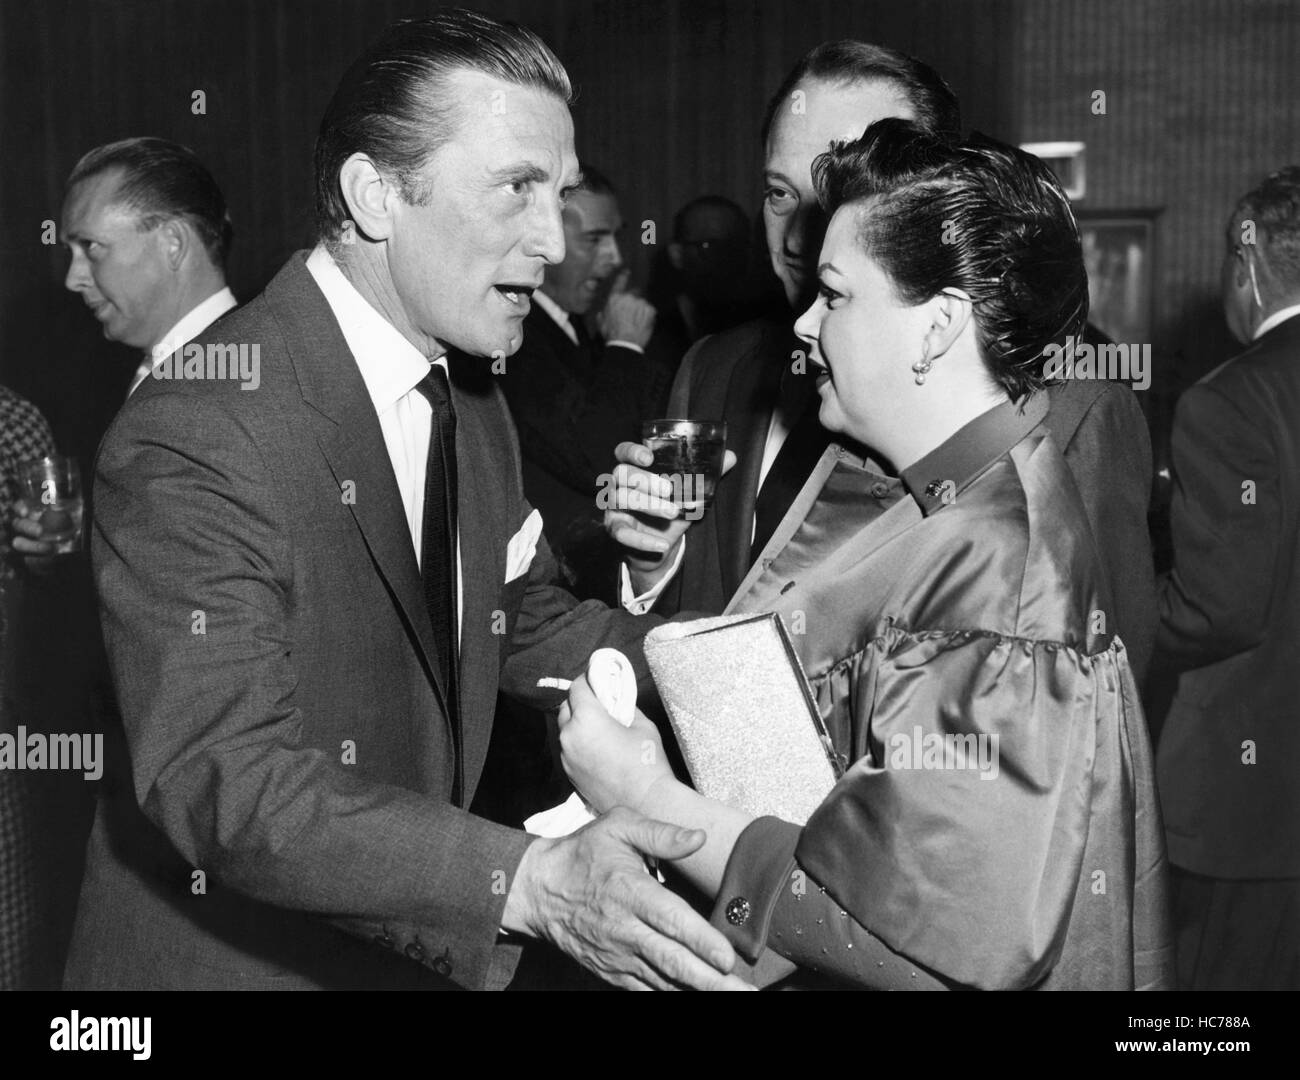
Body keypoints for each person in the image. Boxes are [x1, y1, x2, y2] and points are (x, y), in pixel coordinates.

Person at [62, 11, 749, 992]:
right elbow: (224, 779)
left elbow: (531, 624)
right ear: (373, 195)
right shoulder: (200, 425)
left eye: (555, 196)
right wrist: (528, 883)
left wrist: (749, 673)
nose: (553, 244)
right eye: (516, 188)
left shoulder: (471, 405)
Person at [562, 120, 1173, 990]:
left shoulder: (998, 566)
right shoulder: (954, 495)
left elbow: (914, 945)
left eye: (838, 296)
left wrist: (651, 800)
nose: (805, 323)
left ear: (937, 329)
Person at [607, 40, 1157, 687]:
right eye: (782, 194)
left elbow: (1090, 692)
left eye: (841, 194)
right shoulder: (715, 368)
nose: (802, 234)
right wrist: (650, 568)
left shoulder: (1072, 399)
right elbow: (696, 628)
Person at [1154, 166, 1300, 990]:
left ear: (1245, 268)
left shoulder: (1230, 401)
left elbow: (1220, 610)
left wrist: (1115, 616)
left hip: (1252, 813)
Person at [497, 165, 666, 601]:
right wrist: (625, 347)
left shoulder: (574, 327)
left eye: (614, 237)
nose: (614, 257)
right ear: (544, 238)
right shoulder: (512, 338)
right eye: (594, 240)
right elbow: (595, 458)